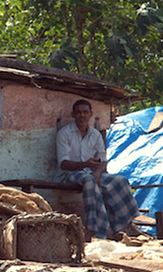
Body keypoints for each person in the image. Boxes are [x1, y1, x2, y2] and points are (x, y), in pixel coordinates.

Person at [56, 99, 138, 239]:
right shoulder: (64, 133)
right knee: (89, 180)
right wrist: (85, 165)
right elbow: (63, 164)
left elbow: (102, 160)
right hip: (68, 174)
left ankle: (124, 224)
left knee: (120, 180)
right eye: (79, 112)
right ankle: (94, 229)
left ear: (91, 114)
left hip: (91, 172)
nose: (82, 115)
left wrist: (98, 174)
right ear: (73, 115)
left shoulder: (95, 135)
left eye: (85, 112)